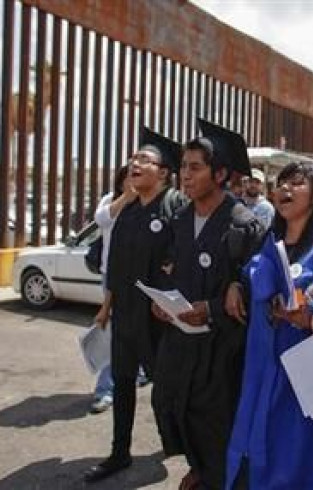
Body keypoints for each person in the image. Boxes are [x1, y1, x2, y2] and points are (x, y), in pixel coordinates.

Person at [225, 162, 313, 489]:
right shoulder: (271, 239)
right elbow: (253, 276)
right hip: (264, 360)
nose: (285, 189)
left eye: (297, 184)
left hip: (307, 366)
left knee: (303, 448)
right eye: (281, 183)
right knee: (262, 439)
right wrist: (237, 285)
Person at [151, 119, 266, 490]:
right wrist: (163, 302)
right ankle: (198, 467)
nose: (185, 175)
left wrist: (213, 309)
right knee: (171, 405)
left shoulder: (244, 225)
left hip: (222, 349)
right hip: (180, 341)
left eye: (195, 167)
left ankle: (217, 478)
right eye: (183, 166)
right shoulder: (181, 219)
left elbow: (256, 290)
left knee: (214, 421)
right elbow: (171, 270)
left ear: (220, 174)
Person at [84, 128, 186, 483]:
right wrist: (106, 305)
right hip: (125, 315)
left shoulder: (175, 208)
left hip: (160, 319)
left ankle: (187, 449)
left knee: (169, 389)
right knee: (123, 383)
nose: (135, 163)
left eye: (145, 159)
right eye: (134, 158)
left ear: (163, 173)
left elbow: (183, 262)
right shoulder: (125, 211)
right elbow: (116, 265)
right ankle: (119, 452)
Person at [89, 164, 135, 414]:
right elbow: (101, 219)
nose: (135, 178)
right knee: (114, 334)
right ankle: (104, 390)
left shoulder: (150, 202)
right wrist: (126, 197)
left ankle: (136, 372)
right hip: (114, 276)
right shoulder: (112, 200)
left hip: (141, 278)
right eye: (131, 174)